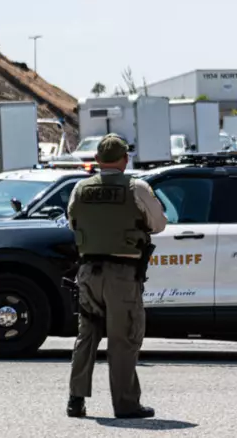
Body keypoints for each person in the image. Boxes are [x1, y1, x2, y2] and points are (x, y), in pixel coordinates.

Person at [66, 133, 167, 419]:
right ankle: (125, 404)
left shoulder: (80, 189)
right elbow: (158, 224)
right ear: (124, 160)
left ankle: (76, 400)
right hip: (122, 274)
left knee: (87, 334)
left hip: (87, 272)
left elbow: (72, 220)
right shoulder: (137, 188)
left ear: (97, 160)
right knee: (123, 339)